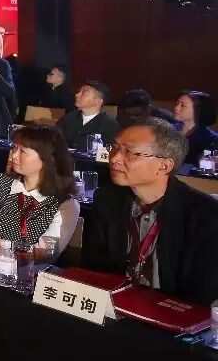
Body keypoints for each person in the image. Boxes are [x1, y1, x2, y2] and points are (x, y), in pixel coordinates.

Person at [81, 118, 218, 303]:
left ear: (164, 166)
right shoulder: (106, 199)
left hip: (171, 312)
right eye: (115, 147)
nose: (114, 158)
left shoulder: (206, 215)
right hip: (113, 304)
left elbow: (203, 292)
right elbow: (93, 267)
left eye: (129, 152)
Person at [0, 126, 80, 256]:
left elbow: (44, 253)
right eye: (14, 148)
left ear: (47, 159)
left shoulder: (66, 205)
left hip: (31, 268)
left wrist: (1, 243)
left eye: (23, 152)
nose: (14, 155)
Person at [56, 80, 121, 152]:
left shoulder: (110, 125)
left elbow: (112, 151)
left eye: (84, 92)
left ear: (98, 101)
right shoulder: (68, 118)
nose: (77, 95)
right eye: (79, 91)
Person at [174, 90, 218, 166]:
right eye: (177, 104)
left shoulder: (212, 139)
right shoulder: (166, 130)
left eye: (183, 105)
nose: (176, 108)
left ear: (199, 110)